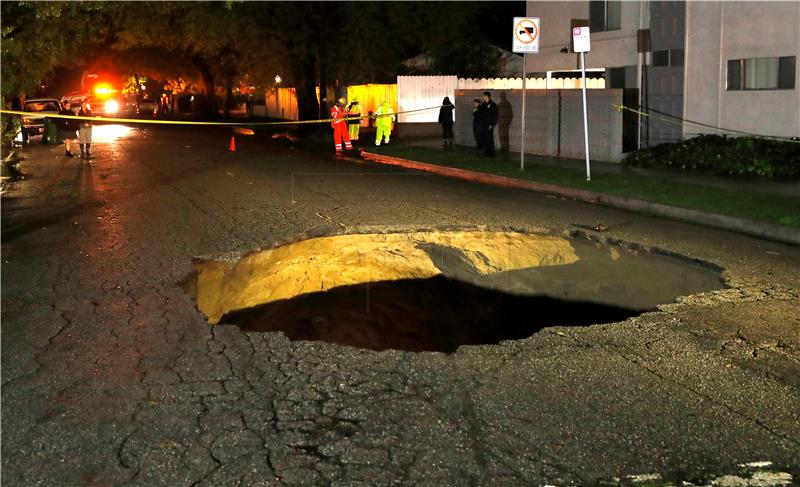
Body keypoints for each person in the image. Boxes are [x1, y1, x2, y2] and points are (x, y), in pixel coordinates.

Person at [478, 91, 498, 157]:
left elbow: (495, 115)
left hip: (489, 125)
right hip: (483, 125)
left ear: (487, 96)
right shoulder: (483, 105)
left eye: (484, 96)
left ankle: (491, 153)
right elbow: (480, 114)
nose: (483, 97)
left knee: (489, 139)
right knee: (484, 139)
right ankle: (486, 152)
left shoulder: (493, 105)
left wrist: (492, 124)